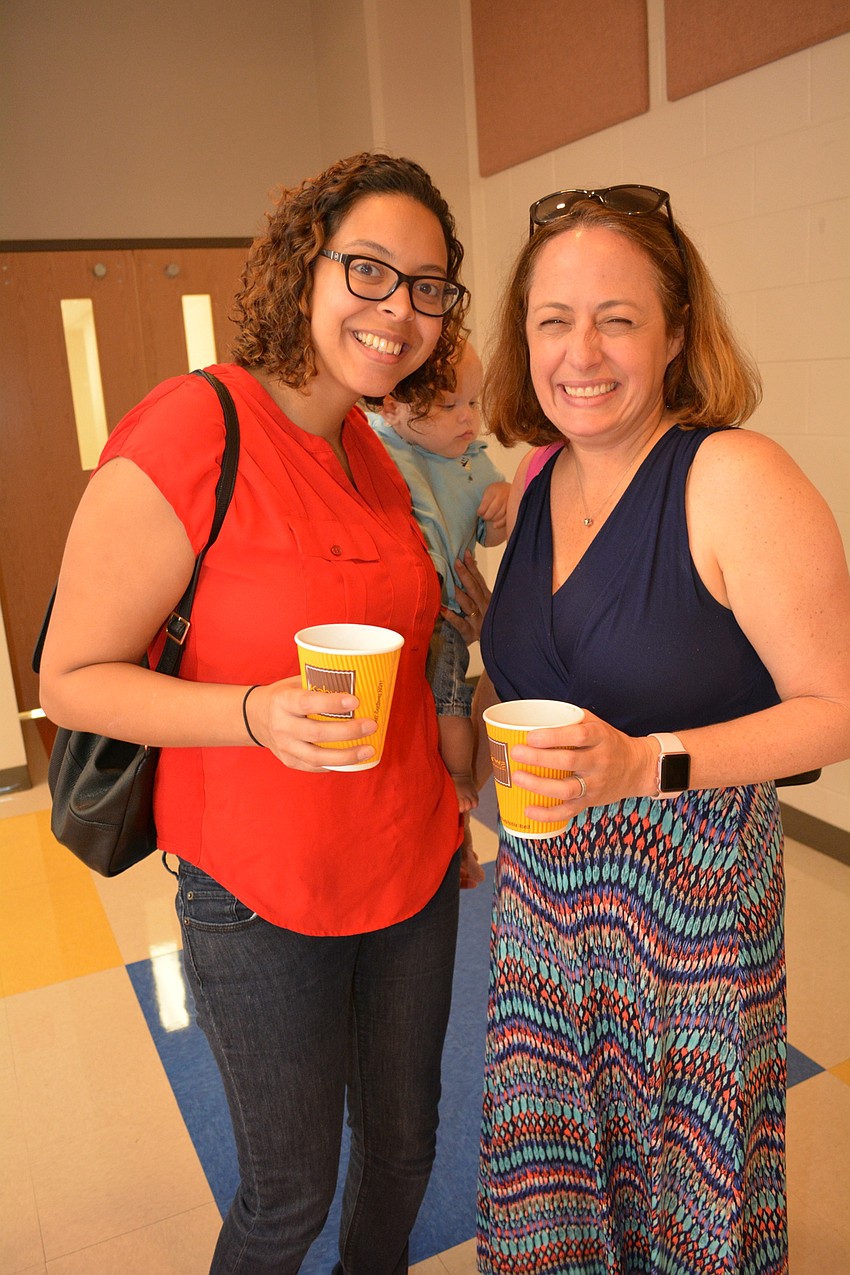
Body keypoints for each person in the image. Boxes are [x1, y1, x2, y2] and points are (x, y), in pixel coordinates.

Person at [40, 152, 478, 1275]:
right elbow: (71, 680)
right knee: (287, 1197)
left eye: (429, 287)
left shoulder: (371, 454)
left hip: (412, 870)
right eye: (370, 271)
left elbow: (404, 639)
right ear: (302, 267)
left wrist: (445, 795)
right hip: (259, 890)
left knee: (404, 1153)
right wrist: (251, 713)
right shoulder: (197, 427)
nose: (400, 312)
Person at [472, 184, 850, 1274]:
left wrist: (646, 762)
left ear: (677, 333)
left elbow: (835, 705)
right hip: (545, 909)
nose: (579, 351)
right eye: (553, 320)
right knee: (558, 1182)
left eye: (617, 317)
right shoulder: (543, 483)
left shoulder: (732, 475)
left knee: (690, 1194)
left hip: (689, 923)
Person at [366, 339, 509, 813]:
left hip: (444, 612)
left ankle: (460, 774)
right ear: (394, 407)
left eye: (473, 403)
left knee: (449, 696)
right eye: (450, 406)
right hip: (386, 611)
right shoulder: (374, 443)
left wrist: (506, 503)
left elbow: (490, 535)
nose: (468, 418)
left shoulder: (475, 462)